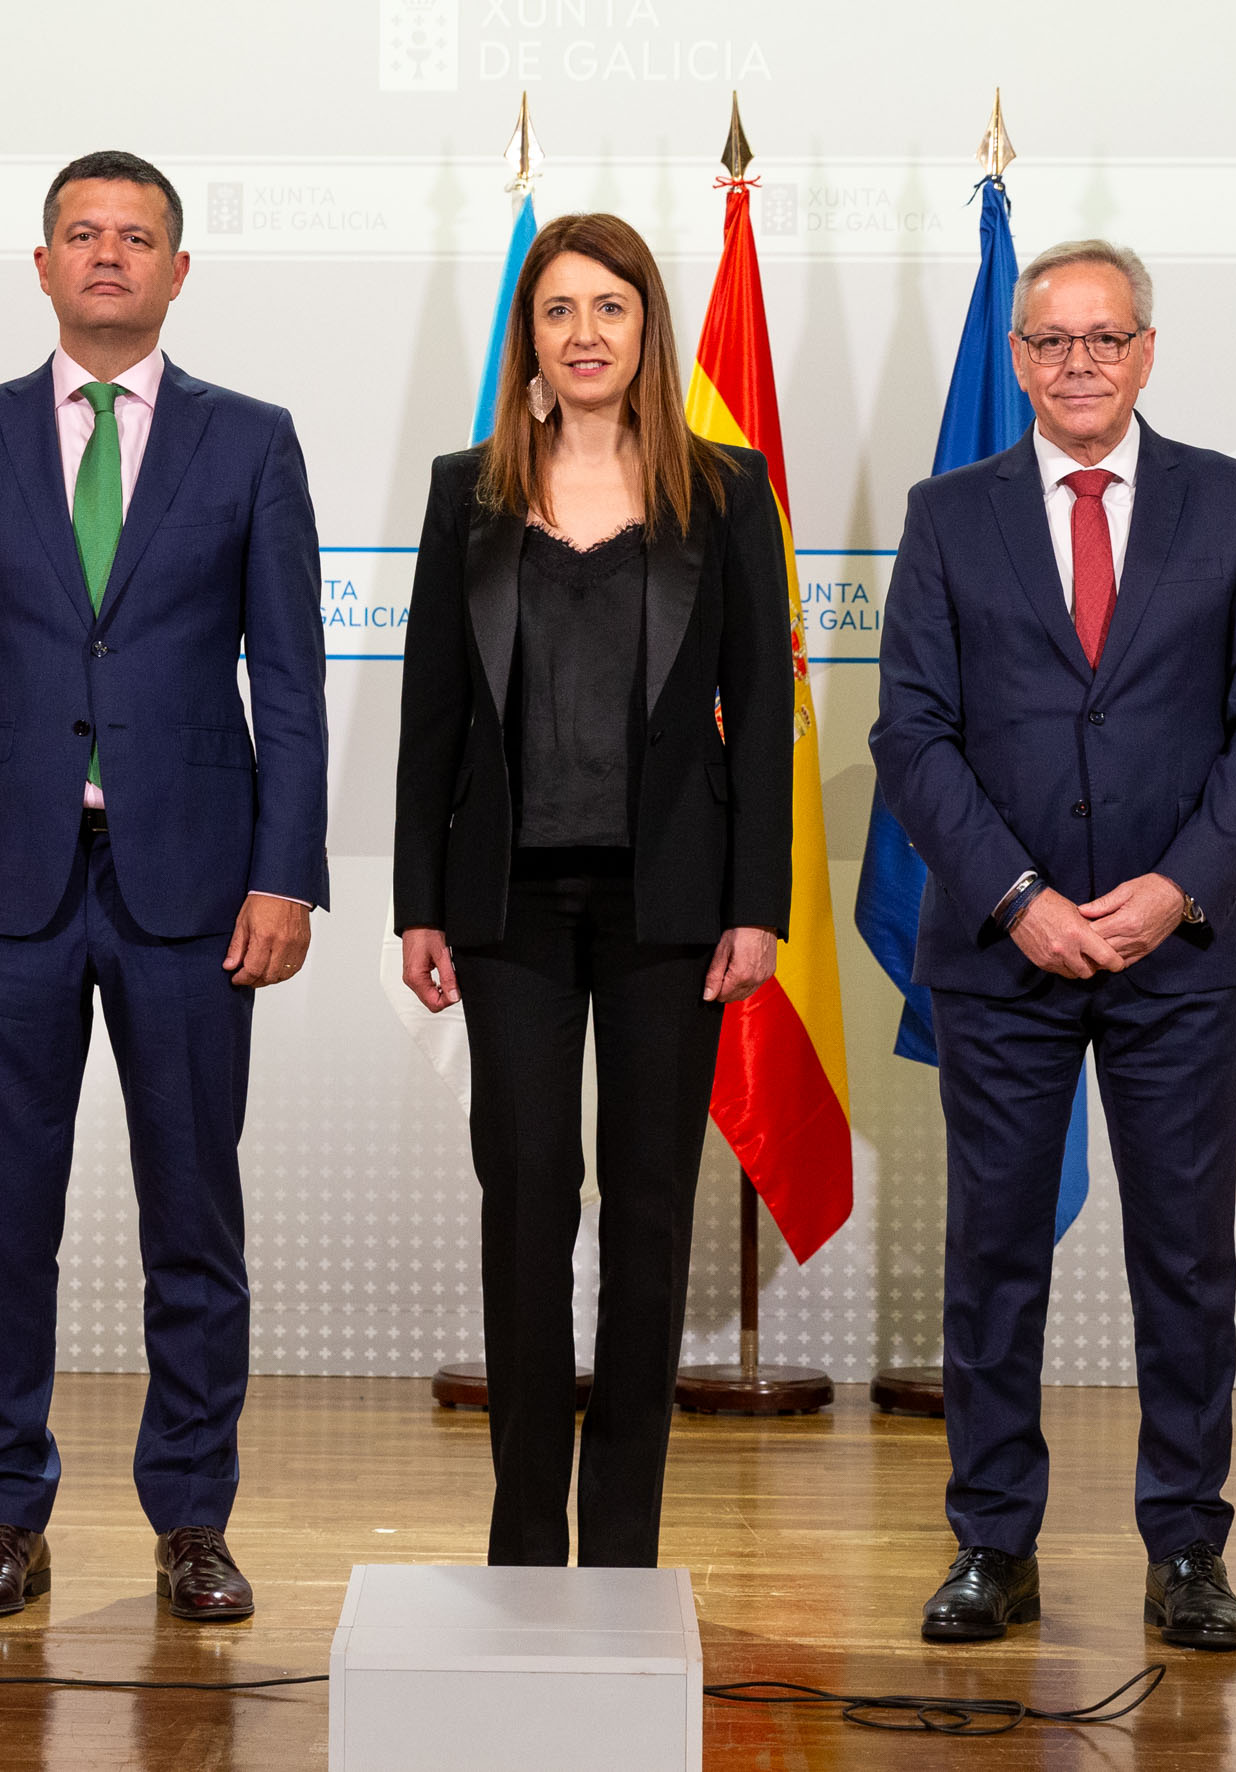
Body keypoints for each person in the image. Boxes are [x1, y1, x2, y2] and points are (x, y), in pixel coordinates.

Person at [0, 150, 327, 1622]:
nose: (109, 254)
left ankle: (193, 1520)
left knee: (194, 1217)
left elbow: (291, 686)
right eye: (83, 233)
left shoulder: (252, 443)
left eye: (137, 236)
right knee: (6, 1216)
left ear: (179, 271)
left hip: (192, 885)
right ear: (44, 263)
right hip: (1, 884)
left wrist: (286, 877)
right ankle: (4, 1515)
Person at [870, 239, 1236, 1651]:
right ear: (1017, 360)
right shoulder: (948, 516)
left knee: (1183, 1263)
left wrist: (1177, 887)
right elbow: (911, 734)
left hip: (1180, 953)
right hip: (1003, 953)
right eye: (1052, 341)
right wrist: (1018, 898)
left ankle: (1186, 1549)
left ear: (1146, 350)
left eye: (1104, 337)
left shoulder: (1230, 503)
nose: (1079, 363)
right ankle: (992, 1544)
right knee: (994, 1260)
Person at [394, 212, 792, 1569]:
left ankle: (621, 1540)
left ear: (646, 330)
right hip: (504, 909)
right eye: (558, 310)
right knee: (524, 1200)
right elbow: (431, 715)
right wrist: (416, 901)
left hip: (669, 911)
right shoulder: (467, 492)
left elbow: (763, 714)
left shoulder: (725, 491)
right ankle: (522, 1534)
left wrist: (756, 903)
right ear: (530, 337)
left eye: (609, 308)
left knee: (648, 1209)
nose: (583, 333)